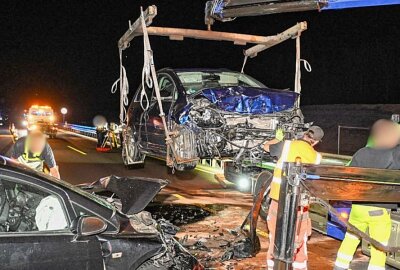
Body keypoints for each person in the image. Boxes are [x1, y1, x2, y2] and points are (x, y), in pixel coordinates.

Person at [334, 119, 400, 270]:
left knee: (351, 238)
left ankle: (339, 266)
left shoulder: (362, 152)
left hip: (358, 207)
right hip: (378, 209)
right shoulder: (393, 154)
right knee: (379, 246)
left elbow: (348, 171)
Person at [264, 126, 324, 270]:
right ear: (315, 142)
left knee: (275, 233)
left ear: (304, 134)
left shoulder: (286, 146)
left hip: (278, 200)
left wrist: (278, 138)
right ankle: (299, 265)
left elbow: (266, 147)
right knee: (300, 235)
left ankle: (272, 265)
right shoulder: (316, 156)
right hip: (299, 204)